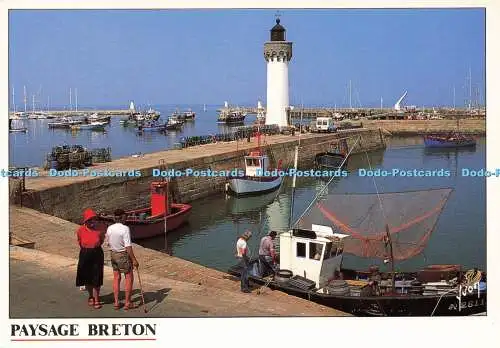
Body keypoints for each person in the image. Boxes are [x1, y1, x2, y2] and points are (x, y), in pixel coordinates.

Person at [106, 209, 139, 310]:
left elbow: (108, 242)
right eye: (125, 216)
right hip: (122, 254)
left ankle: (116, 302)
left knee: (116, 277)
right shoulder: (125, 229)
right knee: (129, 277)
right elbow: (128, 246)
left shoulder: (110, 228)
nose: (126, 218)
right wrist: (134, 259)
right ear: (122, 217)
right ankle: (127, 302)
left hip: (113, 254)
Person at [75, 208, 105, 309]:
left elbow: (101, 241)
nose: (92, 222)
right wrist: (86, 249)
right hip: (85, 253)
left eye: (93, 219)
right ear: (86, 221)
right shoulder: (80, 230)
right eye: (90, 220)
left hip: (97, 253)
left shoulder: (99, 229)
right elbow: (80, 241)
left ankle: (97, 299)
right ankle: (91, 296)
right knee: (87, 277)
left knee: (97, 276)